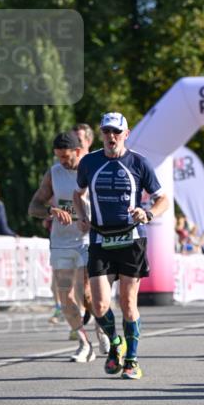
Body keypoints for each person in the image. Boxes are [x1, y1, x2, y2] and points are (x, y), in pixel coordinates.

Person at [73, 112, 169, 380]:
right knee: (100, 305)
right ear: (101, 134)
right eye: (106, 132)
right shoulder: (89, 163)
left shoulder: (139, 163)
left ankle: (132, 361)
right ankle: (116, 343)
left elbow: (163, 199)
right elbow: (77, 193)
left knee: (128, 304)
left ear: (126, 134)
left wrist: (147, 213)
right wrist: (82, 216)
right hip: (100, 239)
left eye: (116, 132)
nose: (111, 137)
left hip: (131, 238)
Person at [29, 131, 96, 363]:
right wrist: (51, 211)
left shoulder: (92, 169)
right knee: (65, 295)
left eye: (66, 157)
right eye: (58, 157)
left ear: (78, 152)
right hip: (61, 241)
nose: (62, 162)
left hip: (88, 239)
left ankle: (104, 329)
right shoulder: (54, 173)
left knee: (86, 292)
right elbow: (34, 206)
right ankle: (84, 343)